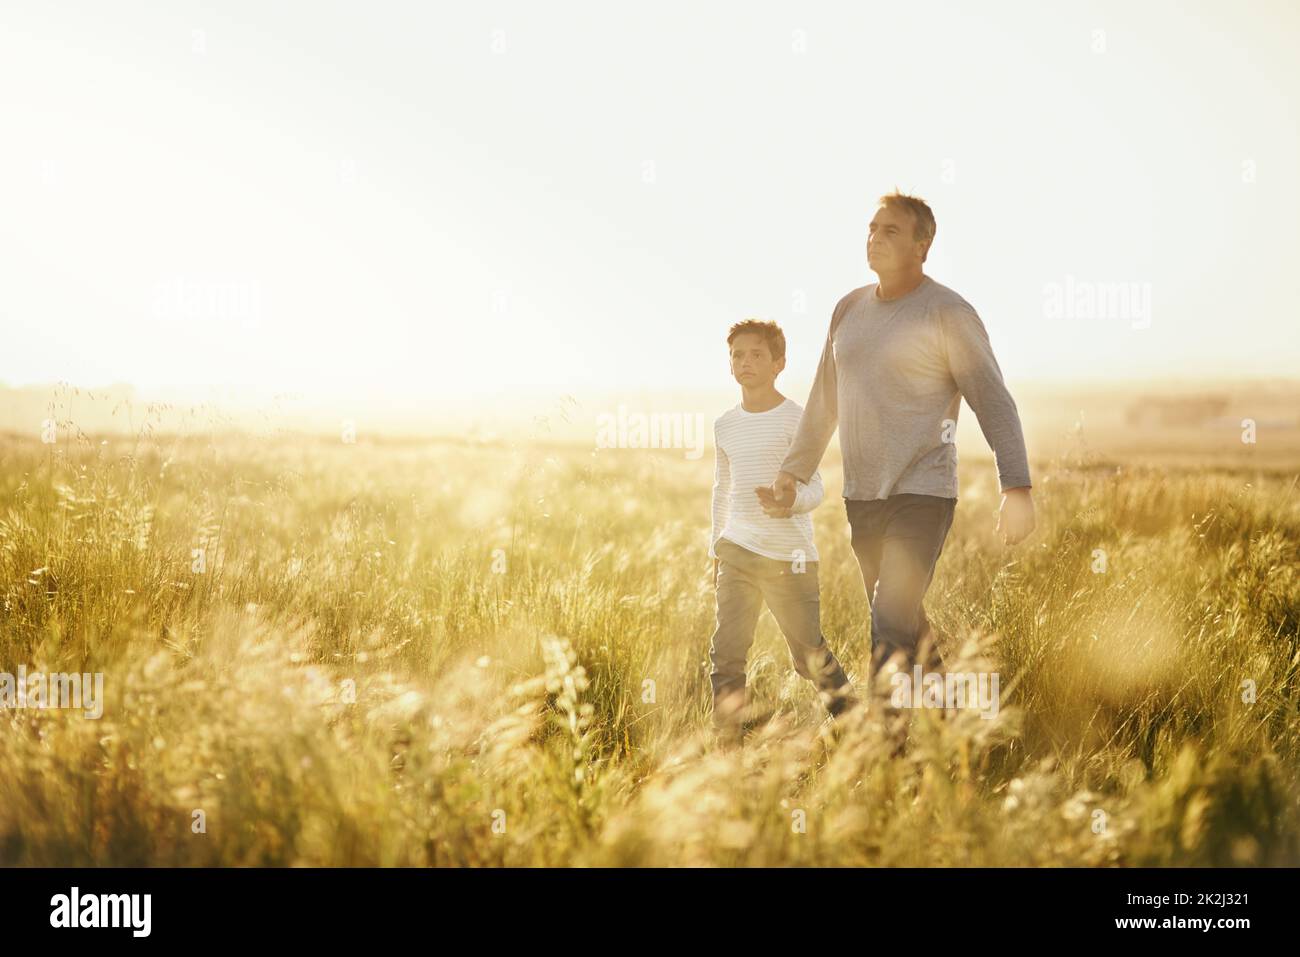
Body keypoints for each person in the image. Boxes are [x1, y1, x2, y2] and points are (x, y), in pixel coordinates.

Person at [764, 191, 1036, 691]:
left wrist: (1015, 486)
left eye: (891, 231)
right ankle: (952, 721)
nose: (875, 239)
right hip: (862, 496)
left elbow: (992, 399)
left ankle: (880, 753)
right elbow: (826, 399)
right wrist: (792, 472)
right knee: (906, 623)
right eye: (871, 229)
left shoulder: (947, 313)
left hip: (923, 493)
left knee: (888, 622)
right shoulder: (848, 310)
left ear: (923, 244)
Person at [708, 319, 855, 739]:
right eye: (737, 354)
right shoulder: (725, 425)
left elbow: (816, 486)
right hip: (736, 550)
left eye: (756, 354)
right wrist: (715, 550)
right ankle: (729, 752)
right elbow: (722, 490)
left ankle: (859, 731)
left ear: (779, 363)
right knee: (727, 657)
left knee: (808, 658)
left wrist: (791, 502)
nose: (745, 362)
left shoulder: (798, 419)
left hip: (789, 557)